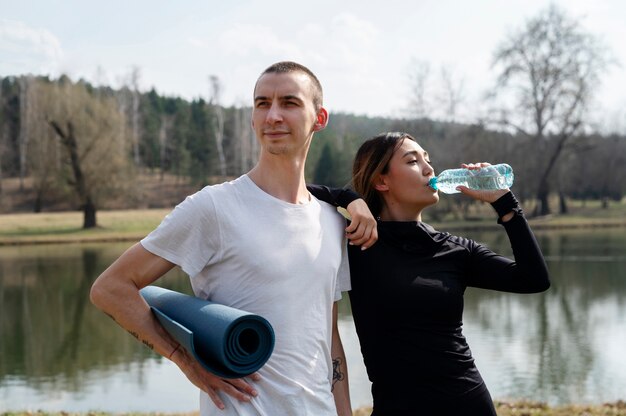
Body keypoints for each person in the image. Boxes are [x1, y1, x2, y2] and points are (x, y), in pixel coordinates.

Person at [89, 61, 377, 416]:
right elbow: (111, 289)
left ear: (319, 118)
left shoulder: (332, 222)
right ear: (253, 118)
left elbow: (328, 339)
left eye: (289, 102)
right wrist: (186, 361)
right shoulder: (214, 207)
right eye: (262, 104)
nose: (272, 115)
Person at [310, 131, 550, 415]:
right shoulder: (358, 242)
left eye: (428, 159)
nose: (429, 169)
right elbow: (284, 194)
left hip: (469, 404)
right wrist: (349, 197)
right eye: (413, 161)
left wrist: (505, 203)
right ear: (381, 180)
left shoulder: (457, 250)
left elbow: (534, 279)